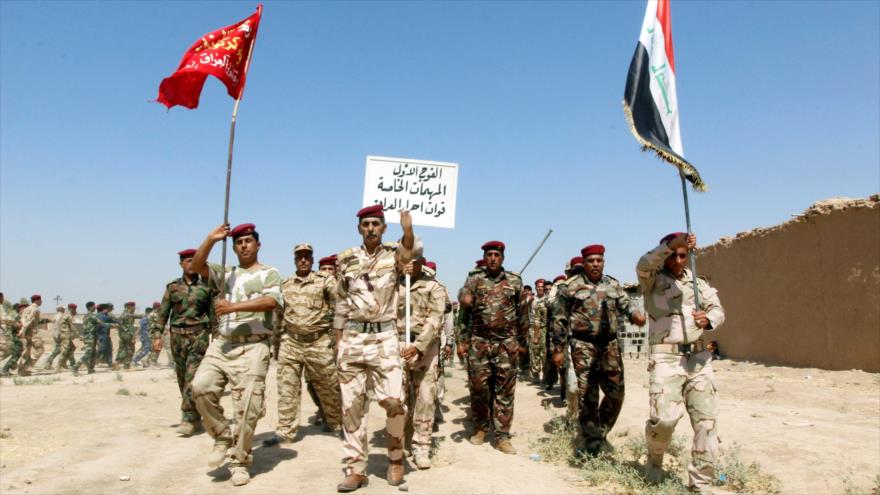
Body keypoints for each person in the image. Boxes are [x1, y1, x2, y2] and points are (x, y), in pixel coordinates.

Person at [334, 206, 420, 492]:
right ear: (359, 228)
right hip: (353, 338)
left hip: (384, 338)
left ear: (384, 228)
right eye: (366, 224)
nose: (371, 228)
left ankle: (396, 457)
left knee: (395, 402)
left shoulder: (394, 253)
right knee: (352, 408)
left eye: (376, 224)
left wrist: (406, 228)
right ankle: (355, 468)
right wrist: (338, 342)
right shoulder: (345, 258)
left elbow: (410, 252)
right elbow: (341, 302)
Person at [190, 223, 282, 486]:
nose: (243, 245)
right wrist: (210, 239)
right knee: (200, 388)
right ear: (234, 247)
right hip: (222, 344)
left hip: (253, 346)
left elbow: (270, 302)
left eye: (248, 241)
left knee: (248, 407)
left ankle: (240, 461)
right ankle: (221, 434)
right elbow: (196, 266)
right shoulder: (226, 272)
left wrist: (233, 307)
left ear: (257, 245)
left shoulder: (269, 273)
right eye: (239, 242)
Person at [637, 232, 725, 492]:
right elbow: (644, 263)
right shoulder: (652, 280)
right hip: (666, 358)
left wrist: (708, 320)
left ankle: (700, 484)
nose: (678, 260)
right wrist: (670, 244)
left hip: (698, 359)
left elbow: (718, 309)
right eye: (673, 255)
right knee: (664, 421)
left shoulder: (699, 284)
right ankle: (654, 459)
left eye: (683, 255)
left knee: (706, 423)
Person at [551, 244, 646, 456]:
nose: (595, 264)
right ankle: (592, 442)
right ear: (584, 263)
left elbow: (625, 304)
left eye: (599, 260)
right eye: (591, 261)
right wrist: (558, 349)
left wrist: (635, 314)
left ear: (603, 262)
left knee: (616, 392)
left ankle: (600, 430)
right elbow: (559, 320)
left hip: (610, 345)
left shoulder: (612, 284)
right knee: (588, 395)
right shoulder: (570, 287)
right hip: (583, 345)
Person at [267, 243, 341, 446]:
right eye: (299, 256)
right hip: (291, 342)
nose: (303, 260)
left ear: (312, 259)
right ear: (294, 259)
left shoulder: (324, 280)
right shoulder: (285, 284)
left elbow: (340, 302)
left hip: (318, 341)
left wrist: (337, 338)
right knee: (287, 389)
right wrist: (276, 344)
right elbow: (278, 316)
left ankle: (336, 424)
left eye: (307, 256)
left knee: (329, 385)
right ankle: (285, 431)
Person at [457, 241, 528, 455]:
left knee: (505, 391)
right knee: (479, 388)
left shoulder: (514, 281)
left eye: (496, 255)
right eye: (489, 255)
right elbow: (464, 311)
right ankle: (480, 427)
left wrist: (522, 343)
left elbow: (523, 314)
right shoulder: (475, 279)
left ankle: (502, 436)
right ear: (485, 258)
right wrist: (462, 340)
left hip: (506, 343)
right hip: (480, 342)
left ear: (503, 258)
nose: (493, 258)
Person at [152, 248, 215, 436]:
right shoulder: (172, 287)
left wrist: (218, 337)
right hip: (177, 337)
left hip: (199, 337)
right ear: (181, 264)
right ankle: (195, 414)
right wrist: (157, 335)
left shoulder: (206, 287)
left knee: (191, 377)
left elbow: (213, 316)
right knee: (181, 377)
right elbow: (163, 313)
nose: (190, 264)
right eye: (187, 260)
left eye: (194, 260)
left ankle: (187, 418)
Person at [396, 257, 445, 469]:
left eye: (413, 260)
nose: (407, 264)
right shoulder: (391, 284)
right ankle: (401, 440)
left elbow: (436, 319)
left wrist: (418, 346)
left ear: (421, 262)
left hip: (425, 349)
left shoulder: (434, 286)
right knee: (398, 399)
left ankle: (421, 446)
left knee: (425, 398)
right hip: (396, 346)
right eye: (403, 258)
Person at [529, 279, 549, 383]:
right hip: (533, 327)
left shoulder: (548, 299)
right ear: (536, 287)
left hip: (544, 328)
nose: (540, 288)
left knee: (545, 353)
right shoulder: (531, 299)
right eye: (538, 286)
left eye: (542, 286)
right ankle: (535, 375)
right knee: (534, 352)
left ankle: (546, 376)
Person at [18, 295, 43, 374]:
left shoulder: (26, 309)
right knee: (40, 349)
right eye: (40, 300)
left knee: (27, 351)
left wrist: (23, 331)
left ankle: (21, 368)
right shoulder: (35, 309)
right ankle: (27, 366)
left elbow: (22, 319)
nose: (41, 302)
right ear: (36, 300)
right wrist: (23, 330)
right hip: (33, 333)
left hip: (27, 334)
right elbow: (28, 320)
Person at [71, 302, 98, 374]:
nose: (95, 308)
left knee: (93, 353)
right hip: (90, 337)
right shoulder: (91, 315)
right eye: (93, 306)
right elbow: (101, 323)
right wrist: (113, 324)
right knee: (88, 353)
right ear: (89, 307)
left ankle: (90, 369)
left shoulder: (86, 315)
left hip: (91, 336)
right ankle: (75, 367)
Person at [0, 303, 24, 376]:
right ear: (18, 308)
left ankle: (8, 368)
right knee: (15, 351)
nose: (23, 310)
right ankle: (6, 369)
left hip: (12, 335)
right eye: (22, 309)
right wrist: (20, 325)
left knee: (17, 350)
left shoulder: (15, 315)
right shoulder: (14, 315)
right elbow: (12, 324)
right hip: (11, 336)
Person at [54, 303, 78, 371]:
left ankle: (66, 363)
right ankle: (59, 366)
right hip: (65, 335)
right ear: (71, 309)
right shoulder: (68, 315)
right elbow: (72, 326)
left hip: (64, 334)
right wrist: (79, 335)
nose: (75, 311)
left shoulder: (65, 315)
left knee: (72, 348)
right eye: (74, 309)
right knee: (64, 350)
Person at [115, 301, 137, 370]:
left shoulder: (123, 314)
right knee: (130, 350)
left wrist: (121, 334)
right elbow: (130, 327)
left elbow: (119, 325)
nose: (135, 308)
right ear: (130, 307)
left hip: (123, 335)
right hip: (128, 335)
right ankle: (127, 365)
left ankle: (117, 362)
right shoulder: (129, 315)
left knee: (123, 350)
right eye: (134, 307)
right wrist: (132, 336)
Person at [43, 305, 66, 370]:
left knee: (60, 349)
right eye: (64, 309)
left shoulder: (55, 316)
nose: (64, 310)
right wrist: (60, 334)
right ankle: (48, 362)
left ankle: (49, 363)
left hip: (55, 334)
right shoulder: (60, 316)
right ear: (61, 309)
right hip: (59, 334)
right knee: (59, 349)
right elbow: (59, 326)